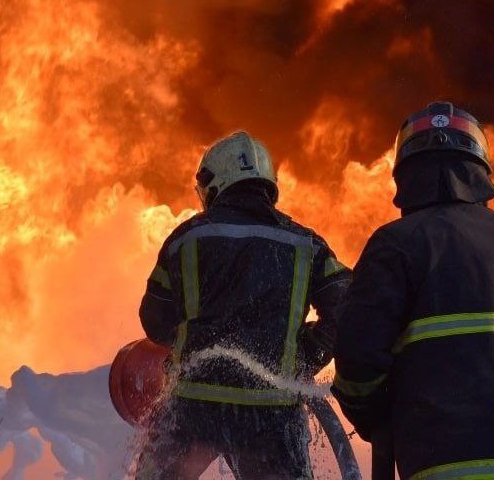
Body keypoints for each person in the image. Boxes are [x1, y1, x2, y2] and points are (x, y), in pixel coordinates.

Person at [332, 102, 494, 479]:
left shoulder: (396, 244)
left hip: (443, 467)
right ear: (479, 171)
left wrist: (372, 414)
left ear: (405, 174)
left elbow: (358, 358)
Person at [136, 131, 351, 479]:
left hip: (194, 404)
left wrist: (194, 346)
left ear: (214, 183)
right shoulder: (305, 243)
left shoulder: (187, 238)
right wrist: (305, 356)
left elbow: (154, 317)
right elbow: (347, 308)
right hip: (272, 412)